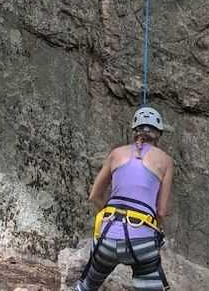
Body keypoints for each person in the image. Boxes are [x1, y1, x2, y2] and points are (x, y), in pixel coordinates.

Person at [74, 107, 173, 291]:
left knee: (86, 286)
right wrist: (154, 230)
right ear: (158, 134)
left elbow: (94, 195)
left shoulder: (116, 154)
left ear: (134, 130)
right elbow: (161, 211)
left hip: (107, 235)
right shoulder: (165, 161)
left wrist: (109, 216)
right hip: (141, 240)